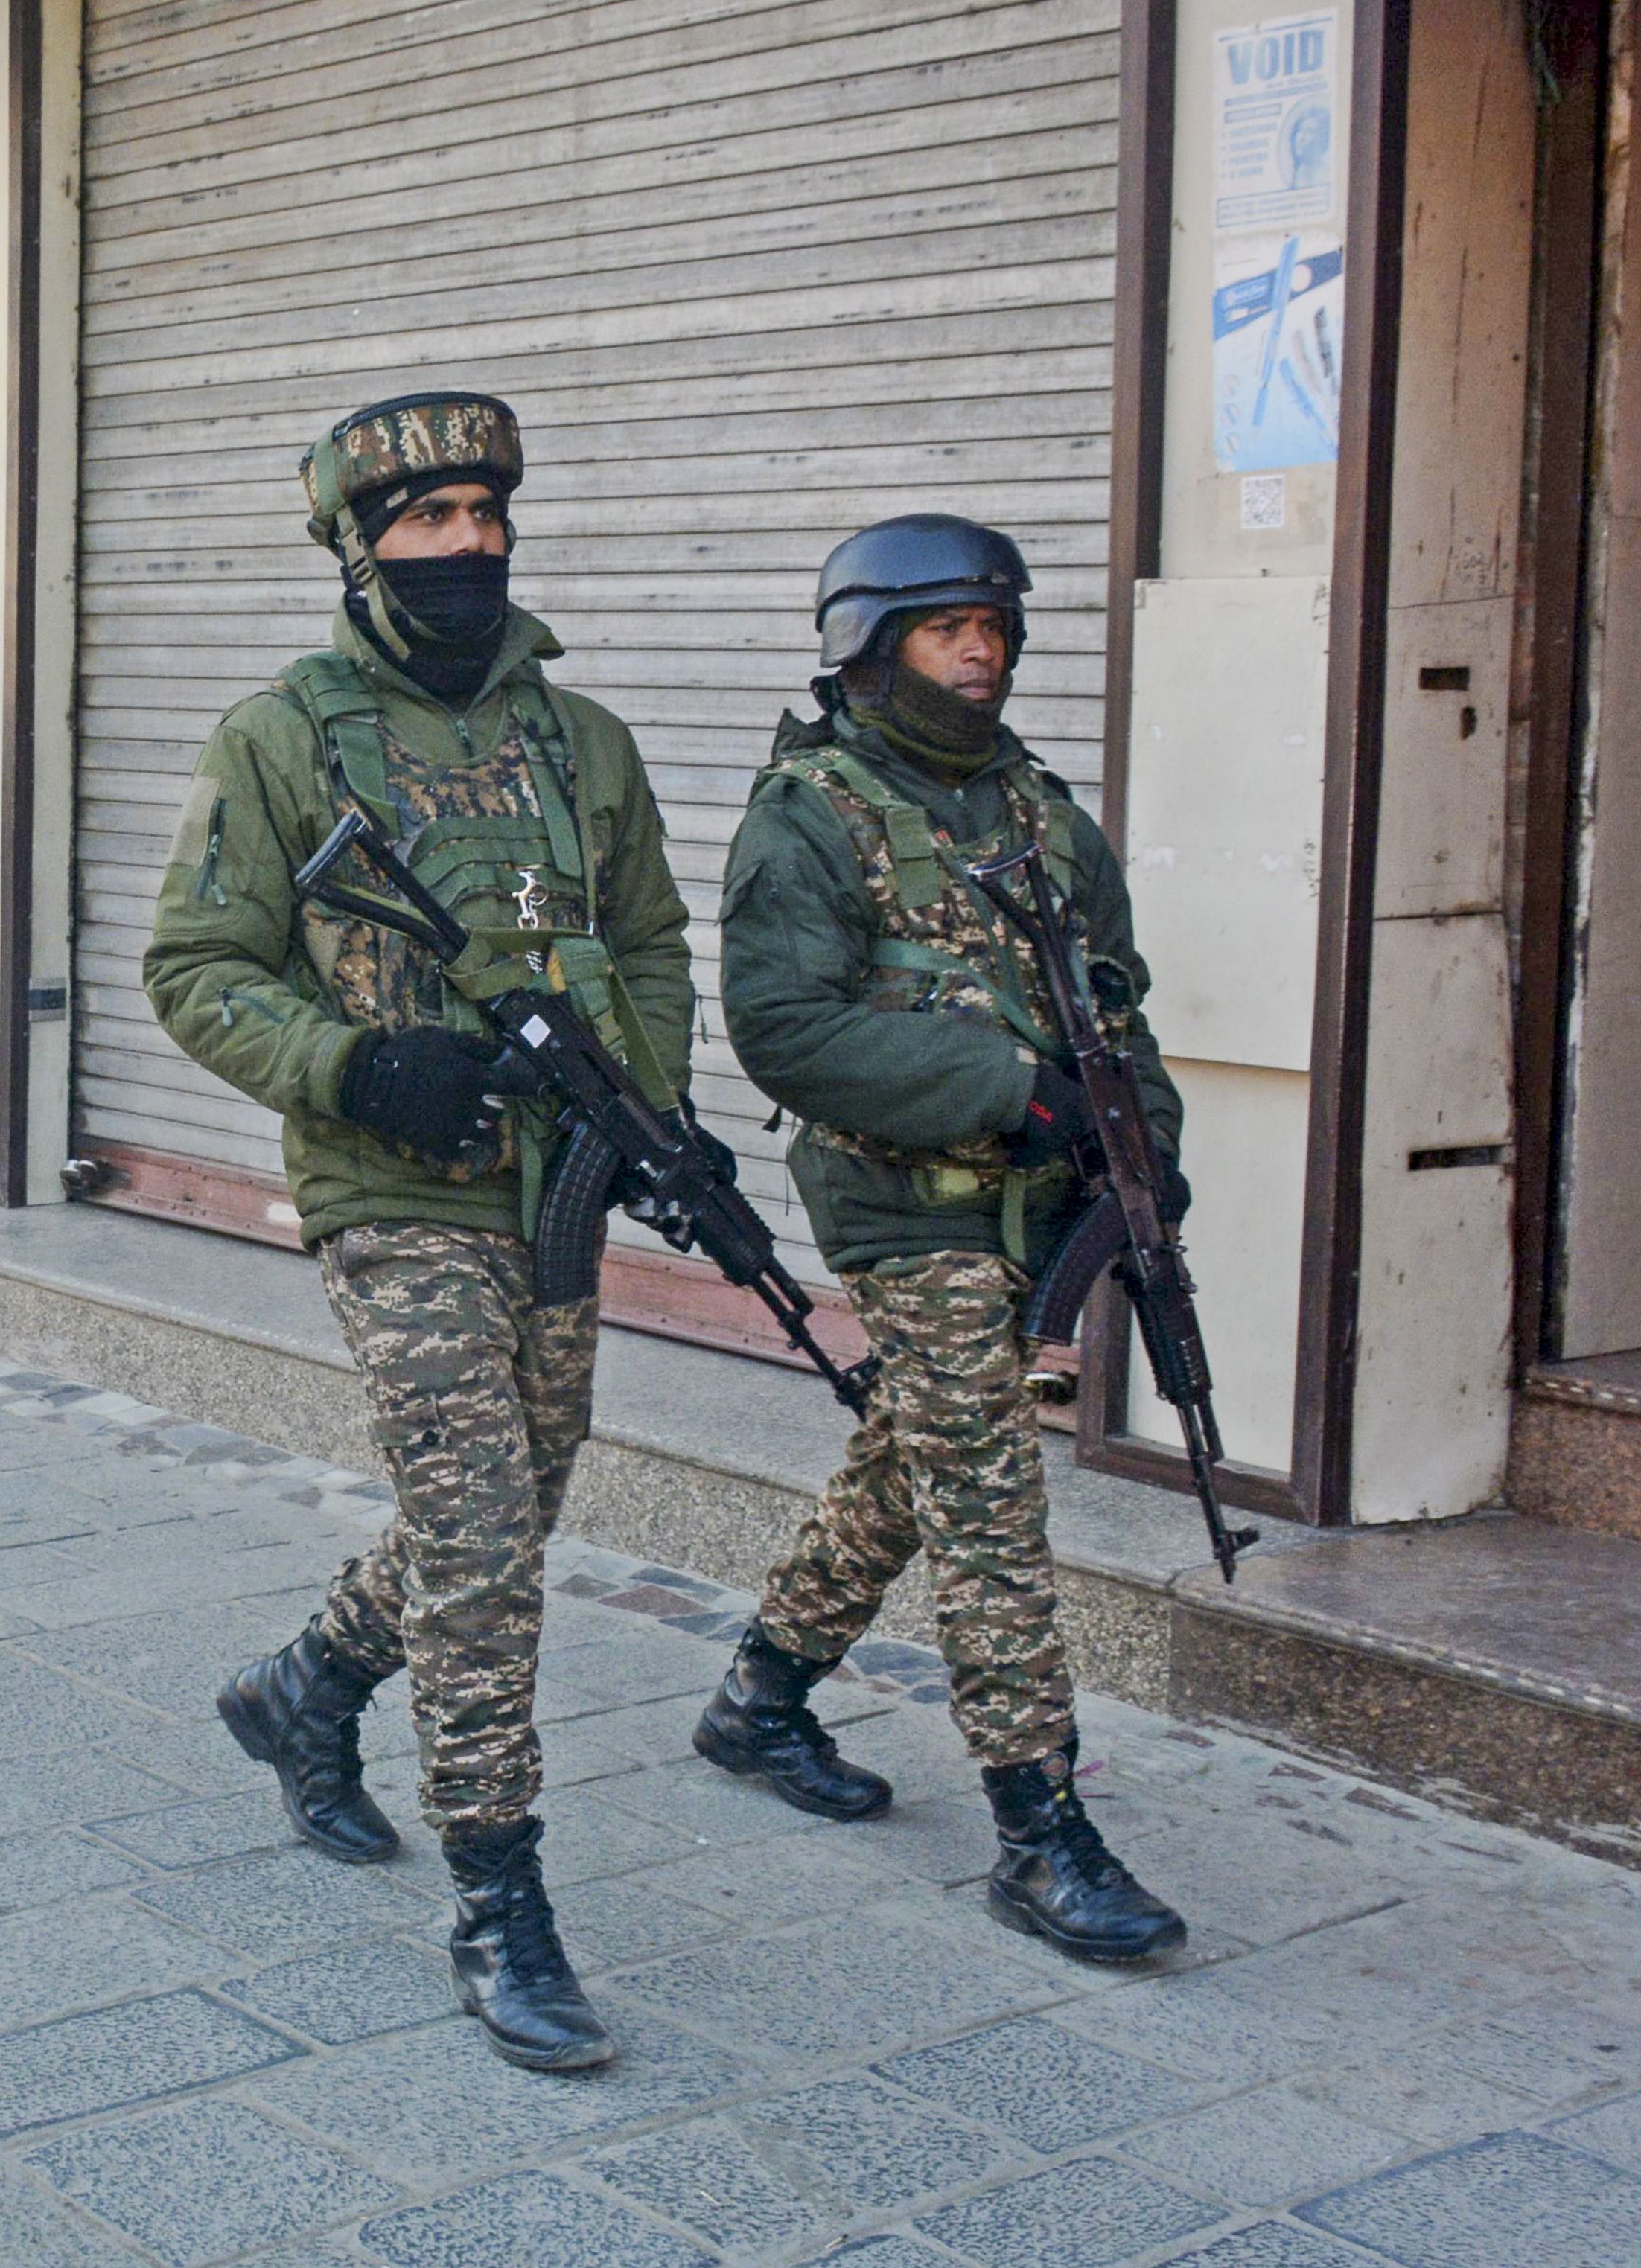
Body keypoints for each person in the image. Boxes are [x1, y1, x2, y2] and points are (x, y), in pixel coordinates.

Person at [143, 392, 696, 2070]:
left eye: (485, 514)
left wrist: (643, 1107)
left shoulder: (579, 743)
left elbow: (655, 943)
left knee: (512, 1506)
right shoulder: (282, 736)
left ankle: (306, 1687)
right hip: (395, 1192)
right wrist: (357, 1063)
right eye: (425, 520)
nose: (466, 545)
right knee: (476, 1532)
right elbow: (194, 969)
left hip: (553, 1188)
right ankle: (501, 1896)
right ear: (356, 545)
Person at [686, 513, 1191, 1965]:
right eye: (945, 628)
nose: (982, 652)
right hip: (901, 1202)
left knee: (919, 1448)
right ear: (868, 641)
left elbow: (1115, 996)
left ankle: (763, 1696)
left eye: (996, 627)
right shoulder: (814, 809)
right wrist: (1006, 1089)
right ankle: (1042, 1835)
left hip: (1033, 1199)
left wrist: (1139, 1150)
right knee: (987, 1493)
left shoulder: (1033, 803)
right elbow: (786, 1029)